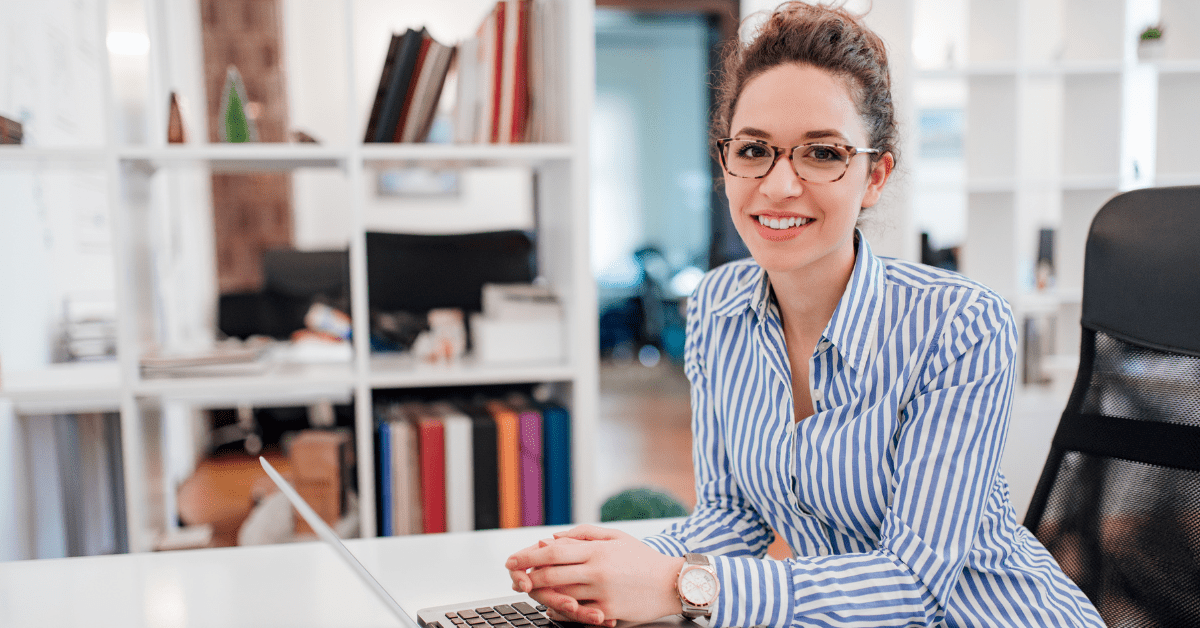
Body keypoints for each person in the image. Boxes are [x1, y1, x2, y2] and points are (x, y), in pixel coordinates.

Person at [506, 2, 1105, 626]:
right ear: (726, 161)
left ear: (875, 176)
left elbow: (914, 585)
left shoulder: (959, 326)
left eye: (821, 153)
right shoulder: (717, 308)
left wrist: (681, 585)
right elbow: (733, 515)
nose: (778, 185)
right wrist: (607, 570)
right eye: (754, 149)